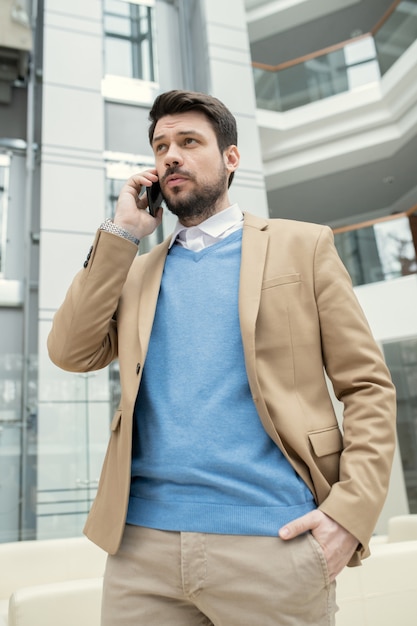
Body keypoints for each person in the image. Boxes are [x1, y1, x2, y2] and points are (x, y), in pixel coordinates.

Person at [47, 89, 397, 626]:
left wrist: (350, 516)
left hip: (274, 543)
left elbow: (367, 388)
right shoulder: (136, 271)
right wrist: (122, 235)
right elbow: (70, 352)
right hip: (140, 552)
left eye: (189, 141)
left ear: (231, 158)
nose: (171, 156)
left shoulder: (303, 246)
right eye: (161, 145)